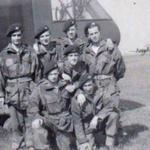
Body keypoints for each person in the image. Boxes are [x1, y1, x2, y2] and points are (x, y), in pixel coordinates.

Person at [0, 23, 39, 150]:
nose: (17, 38)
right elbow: (0, 76)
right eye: (14, 36)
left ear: (21, 36)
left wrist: (37, 91)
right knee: (16, 123)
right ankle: (17, 144)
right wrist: (1, 95)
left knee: (29, 120)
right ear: (10, 37)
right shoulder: (4, 55)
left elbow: (37, 73)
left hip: (28, 90)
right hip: (12, 92)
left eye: (19, 35)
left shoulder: (30, 52)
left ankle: (30, 144)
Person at [27, 61, 74, 150]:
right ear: (47, 75)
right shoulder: (40, 88)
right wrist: (37, 117)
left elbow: (77, 89)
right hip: (49, 120)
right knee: (37, 125)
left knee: (65, 146)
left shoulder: (64, 84)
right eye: (51, 74)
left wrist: (78, 92)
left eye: (55, 74)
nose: (54, 76)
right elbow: (32, 105)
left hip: (64, 122)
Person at [71, 74, 119, 150]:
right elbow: (77, 122)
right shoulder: (77, 99)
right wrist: (82, 140)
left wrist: (97, 117)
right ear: (81, 87)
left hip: (98, 121)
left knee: (113, 115)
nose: (88, 88)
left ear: (93, 83)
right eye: (85, 86)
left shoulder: (100, 92)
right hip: (86, 125)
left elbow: (110, 105)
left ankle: (110, 143)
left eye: (90, 85)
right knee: (87, 147)